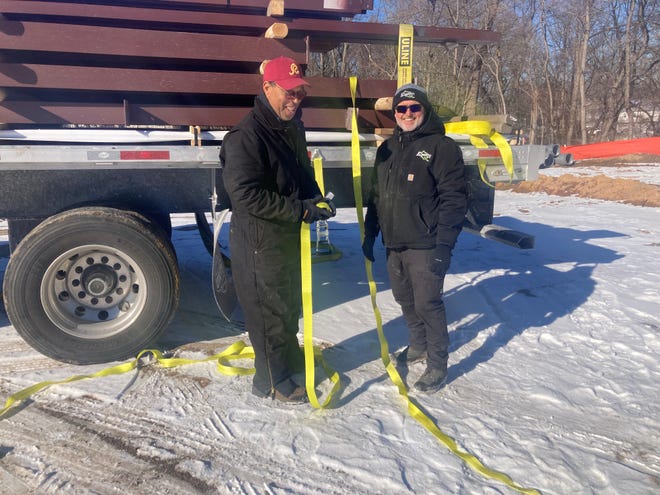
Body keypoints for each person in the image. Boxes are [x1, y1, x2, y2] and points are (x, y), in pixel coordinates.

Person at [220, 56, 336, 403]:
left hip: (285, 236)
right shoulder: (245, 136)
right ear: (267, 87)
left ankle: (286, 358)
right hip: (259, 242)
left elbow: (301, 172)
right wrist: (299, 211)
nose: (295, 99)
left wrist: (315, 197)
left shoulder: (292, 127)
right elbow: (244, 195)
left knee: (287, 305)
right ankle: (270, 379)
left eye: (300, 92)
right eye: (288, 92)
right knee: (267, 311)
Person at [362, 83, 467, 392]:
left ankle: (438, 364)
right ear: (394, 113)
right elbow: (376, 196)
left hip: (426, 243)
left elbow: (455, 200)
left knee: (428, 303)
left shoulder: (441, 147)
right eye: (401, 109)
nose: (407, 114)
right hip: (394, 242)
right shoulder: (387, 149)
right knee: (403, 298)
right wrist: (370, 235)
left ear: (425, 110)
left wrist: (443, 247)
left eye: (414, 108)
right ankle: (418, 344)